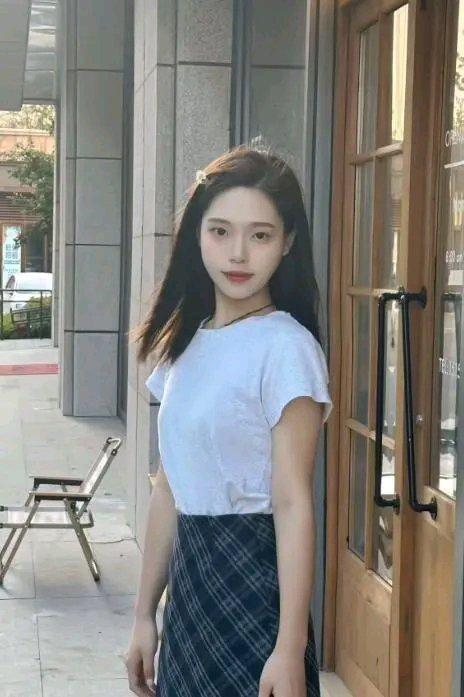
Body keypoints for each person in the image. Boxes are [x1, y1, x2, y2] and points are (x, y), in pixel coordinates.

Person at [124, 144, 333, 696]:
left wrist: (289, 648)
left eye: (260, 235)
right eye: (220, 231)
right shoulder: (185, 346)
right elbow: (169, 488)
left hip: (256, 589)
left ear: (287, 242)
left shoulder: (287, 349)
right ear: (197, 235)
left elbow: (293, 503)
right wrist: (144, 615)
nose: (238, 254)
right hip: (190, 593)